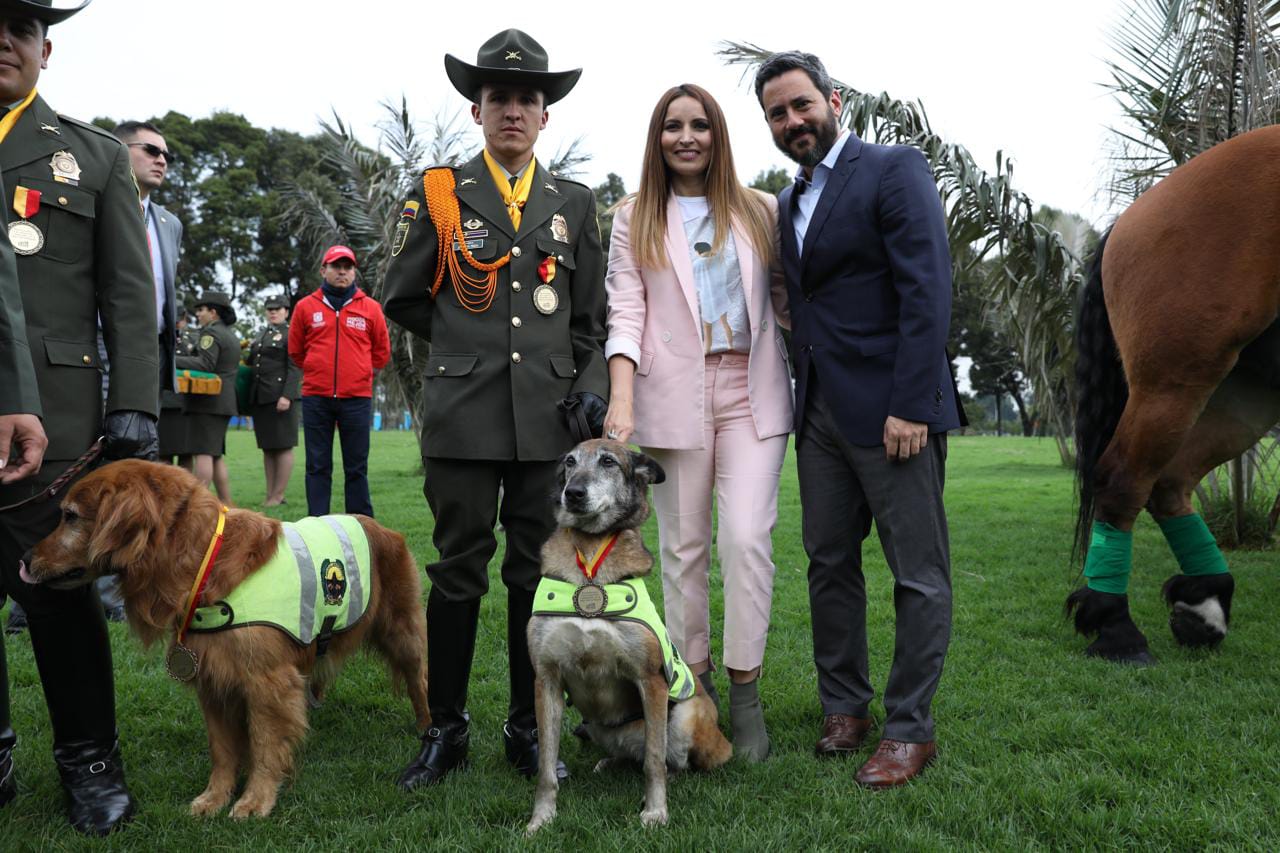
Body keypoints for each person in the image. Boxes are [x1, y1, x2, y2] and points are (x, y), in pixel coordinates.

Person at [384, 29, 608, 789]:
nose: (513, 110)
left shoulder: (572, 204)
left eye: (527, 99)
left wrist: (591, 387)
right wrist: (464, 345)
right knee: (457, 573)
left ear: (545, 116)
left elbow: (590, 324)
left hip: (547, 420)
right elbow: (403, 296)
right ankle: (445, 729)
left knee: (531, 577)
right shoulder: (442, 193)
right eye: (499, 98)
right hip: (464, 415)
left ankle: (525, 727)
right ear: (477, 110)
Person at [755, 51, 963, 787]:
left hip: (893, 412)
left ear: (833, 100)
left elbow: (927, 288)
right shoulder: (787, 201)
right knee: (829, 564)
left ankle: (910, 728)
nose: (792, 121)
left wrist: (911, 402)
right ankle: (845, 707)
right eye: (777, 113)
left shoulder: (892, 167)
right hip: (818, 415)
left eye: (801, 105)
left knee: (918, 574)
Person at [0, 0, 161, 834]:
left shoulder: (90, 158)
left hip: (55, 422)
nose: (4, 39)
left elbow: (129, 295)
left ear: (45, 49)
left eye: (19, 28)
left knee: (57, 594)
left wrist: (134, 400)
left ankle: (89, 758)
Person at [601, 84, 791, 762]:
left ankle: (746, 690)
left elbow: (785, 298)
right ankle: (697, 688)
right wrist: (622, 397)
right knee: (683, 549)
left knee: (746, 538)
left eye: (700, 125)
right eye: (673, 126)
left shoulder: (761, 209)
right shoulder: (633, 217)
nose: (687, 137)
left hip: (751, 389)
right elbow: (625, 309)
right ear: (657, 138)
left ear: (718, 134)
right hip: (672, 394)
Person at [287, 245, 389, 517]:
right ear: (324, 270)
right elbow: (296, 351)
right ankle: (317, 523)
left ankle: (361, 524)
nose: (342, 271)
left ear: (354, 272)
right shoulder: (305, 307)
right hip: (316, 398)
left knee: (356, 466)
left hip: (356, 399)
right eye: (336, 266)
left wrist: (362, 373)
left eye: (347, 267)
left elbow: (381, 352)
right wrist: (314, 369)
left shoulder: (371, 308)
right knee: (317, 465)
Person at [175, 290, 240, 499]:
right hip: (224, 401)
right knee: (215, 455)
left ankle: (198, 502)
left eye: (202, 310)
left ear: (213, 312)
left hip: (208, 401)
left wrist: (171, 360)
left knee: (202, 453)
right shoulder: (230, 334)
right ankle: (226, 502)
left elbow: (205, 364)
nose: (198, 315)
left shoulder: (211, 334)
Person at [249, 294, 301, 506]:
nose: (273, 311)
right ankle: (270, 495)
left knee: (283, 446)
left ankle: (279, 494)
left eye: (278, 308)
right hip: (262, 397)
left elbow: (295, 366)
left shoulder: (291, 334)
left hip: (281, 397)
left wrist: (287, 395)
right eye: (270, 308)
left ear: (286, 311)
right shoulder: (262, 334)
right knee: (268, 447)